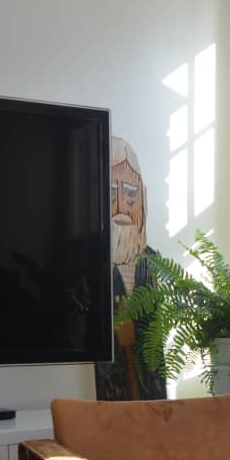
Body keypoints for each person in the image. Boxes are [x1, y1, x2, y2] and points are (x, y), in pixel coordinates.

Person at [94, 137, 166, 401]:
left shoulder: (153, 262)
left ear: (142, 198)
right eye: (112, 193)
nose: (123, 206)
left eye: (130, 194)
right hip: (112, 396)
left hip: (152, 400)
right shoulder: (94, 268)